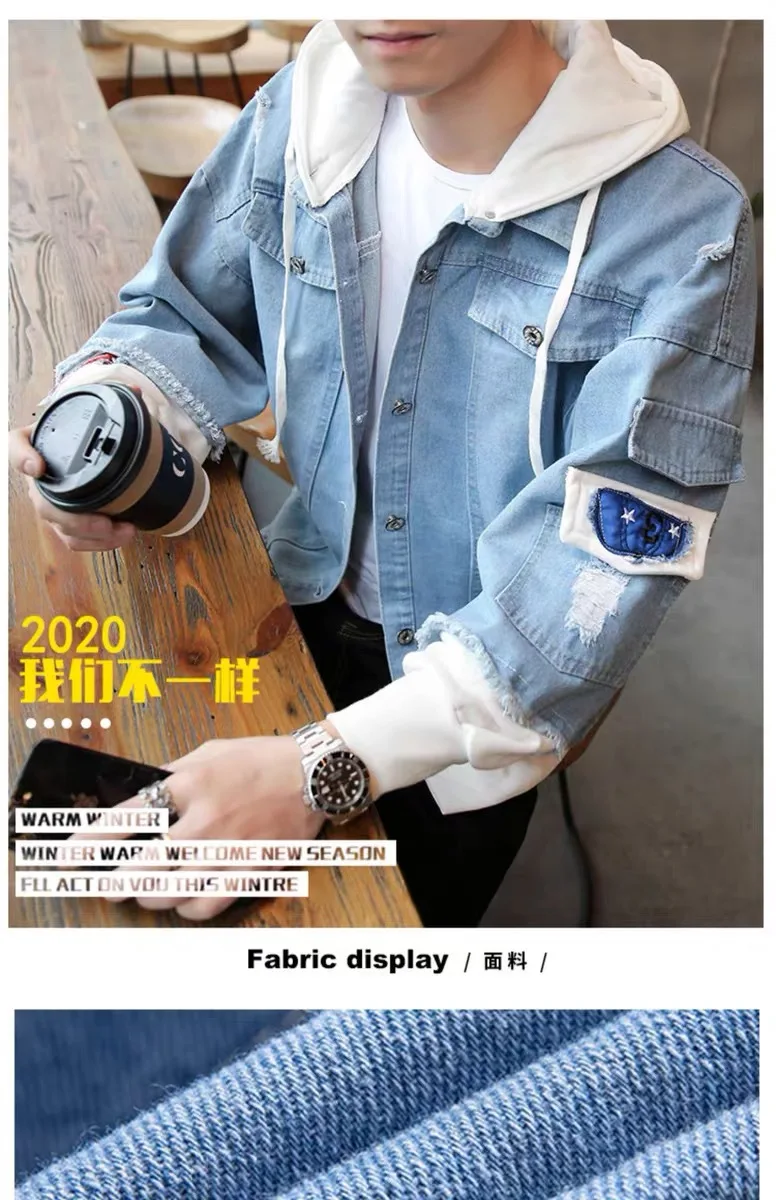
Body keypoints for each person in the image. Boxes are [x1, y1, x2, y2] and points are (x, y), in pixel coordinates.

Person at [9, 20, 756, 927]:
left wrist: (315, 770)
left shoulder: (681, 228)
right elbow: (188, 310)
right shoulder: (307, 107)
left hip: (471, 704)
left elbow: (597, 580)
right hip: (295, 596)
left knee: (376, 945)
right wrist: (111, 423)